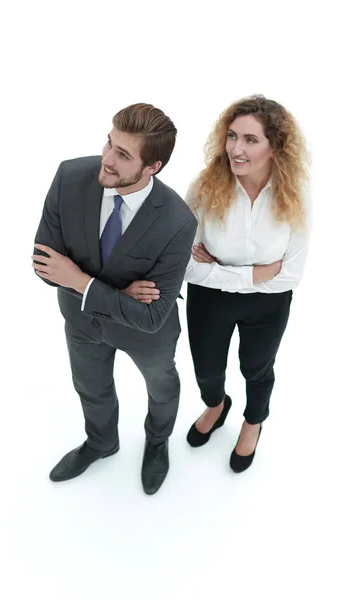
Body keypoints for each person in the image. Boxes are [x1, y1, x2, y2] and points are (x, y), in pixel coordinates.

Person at [32, 103, 197, 495]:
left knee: (162, 389)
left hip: (147, 337)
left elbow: (153, 316)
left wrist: (80, 280)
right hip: (81, 322)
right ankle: (101, 442)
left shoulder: (178, 223)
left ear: (152, 167)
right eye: (109, 144)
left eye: (123, 155)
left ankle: (157, 442)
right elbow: (43, 266)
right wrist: (113, 291)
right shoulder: (70, 176)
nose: (106, 160)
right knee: (91, 387)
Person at [184, 95, 311, 472]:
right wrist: (256, 274)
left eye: (251, 140)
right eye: (232, 136)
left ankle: (253, 422)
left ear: (276, 146)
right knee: (206, 369)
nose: (236, 149)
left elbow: (291, 274)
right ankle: (216, 404)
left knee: (257, 368)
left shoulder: (296, 196)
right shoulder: (205, 186)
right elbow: (183, 264)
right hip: (208, 300)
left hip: (268, 304)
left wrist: (219, 269)